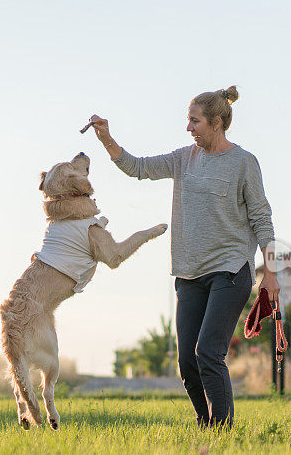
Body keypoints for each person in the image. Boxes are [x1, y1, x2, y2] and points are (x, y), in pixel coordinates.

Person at [89, 86, 279, 428]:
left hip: (231, 270)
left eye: (195, 121)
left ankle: (222, 431)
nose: (189, 128)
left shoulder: (243, 163)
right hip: (189, 273)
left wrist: (272, 273)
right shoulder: (183, 158)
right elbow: (137, 168)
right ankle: (205, 425)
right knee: (188, 365)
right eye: (188, 121)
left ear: (217, 123)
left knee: (208, 353)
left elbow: (261, 218)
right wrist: (107, 139)